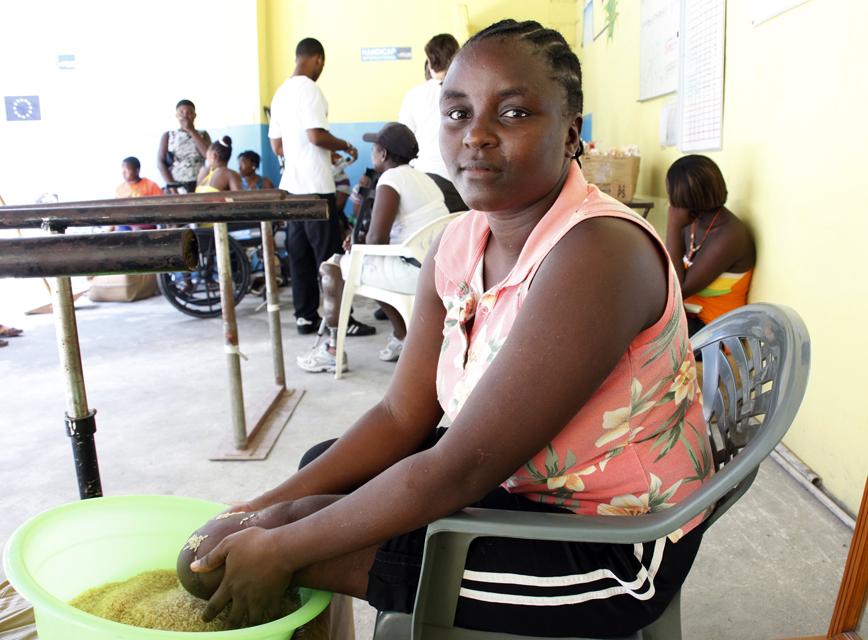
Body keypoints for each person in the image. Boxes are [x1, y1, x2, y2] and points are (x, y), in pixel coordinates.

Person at [188, 20, 712, 638]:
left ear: (571, 132)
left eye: (514, 113)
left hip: (611, 541)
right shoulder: (458, 243)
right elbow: (400, 418)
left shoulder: (598, 252)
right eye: (457, 113)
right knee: (300, 486)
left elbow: (457, 468)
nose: (477, 136)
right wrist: (259, 509)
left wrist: (281, 542)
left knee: (269, 552)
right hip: (519, 482)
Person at [296, 122, 448, 373]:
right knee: (358, 261)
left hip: (412, 273)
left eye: (374, 148)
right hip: (432, 269)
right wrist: (359, 245)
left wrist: (356, 247)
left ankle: (333, 351)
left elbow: (376, 240)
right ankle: (402, 337)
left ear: (384, 154)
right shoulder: (424, 178)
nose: (372, 153)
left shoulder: (390, 178)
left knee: (332, 266)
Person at [269, 37, 364, 335]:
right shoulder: (310, 88)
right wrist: (345, 145)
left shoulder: (280, 92)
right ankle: (342, 322)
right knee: (330, 258)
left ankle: (306, 317)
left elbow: (278, 147)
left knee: (299, 256)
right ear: (318, 59)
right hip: (316, 188)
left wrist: (323, 150)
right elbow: (314, 136)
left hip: (292, 189)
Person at [664, 155, 756, 335]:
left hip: (716, 332)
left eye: (671, 194)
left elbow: (677, 290)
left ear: (686, 199)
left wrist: (672, 225)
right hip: (688, 316)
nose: (669, 200)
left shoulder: (731, 236)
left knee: (639, 323)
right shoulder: (692, 223)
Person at [398, 33, 469, 214]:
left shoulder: (414, 94)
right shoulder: (465, 91)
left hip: (422, 178)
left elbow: (403, 137)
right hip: (457, 178)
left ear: (429, 61)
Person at [157, 100, 211, 192]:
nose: (185, 115)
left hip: (199, 185)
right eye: (181, 112)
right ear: (177, 116)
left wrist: (191, 130)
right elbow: (160, 163)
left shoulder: (203, 134)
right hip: (176, 186)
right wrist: (172, 187)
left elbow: (209, 156)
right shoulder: (169, 135)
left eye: (189, 112)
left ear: (195, 115)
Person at [109, 157, 162, 231]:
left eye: (126, 171)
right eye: (122, 171)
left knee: (136, 233)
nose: (123, 173)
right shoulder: (120, 189)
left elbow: (161, 209)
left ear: (136, 171)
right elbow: (115, 213)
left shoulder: (151, 185)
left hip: (144, 223)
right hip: (124, 224)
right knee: (118, 234)